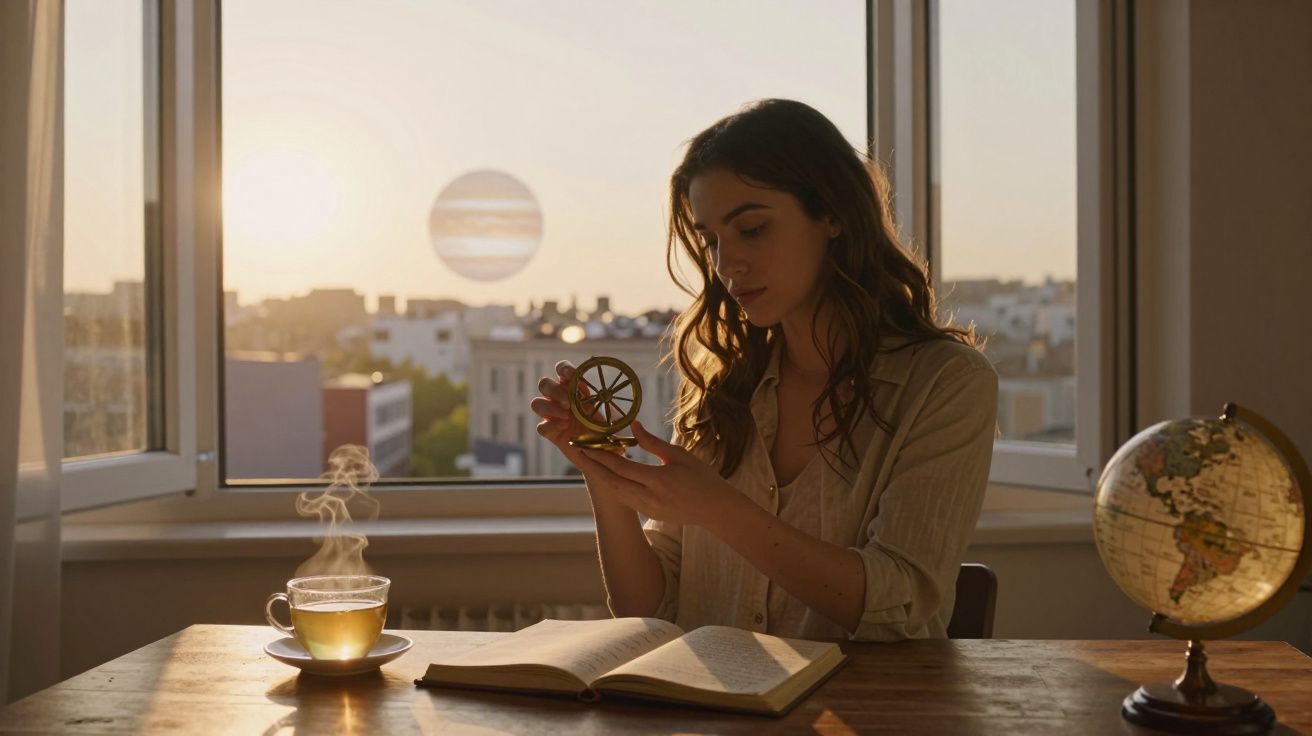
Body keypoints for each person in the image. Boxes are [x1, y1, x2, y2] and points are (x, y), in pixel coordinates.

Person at [530, 99, 998, 641]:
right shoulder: (722, 388)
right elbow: (648, 608)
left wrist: (720, 509)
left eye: (751, 229)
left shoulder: (945, 384)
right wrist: (603, 470)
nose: (727, 264)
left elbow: (904, 603)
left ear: (833, 215)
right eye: (711, 241)